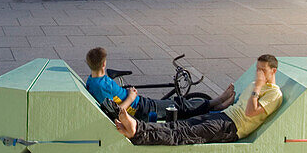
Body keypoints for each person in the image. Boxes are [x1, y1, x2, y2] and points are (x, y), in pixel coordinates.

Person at [115, 55, 282, 146]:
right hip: (223, 116)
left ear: (273, 71)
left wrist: (257, 88)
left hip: (231, 128)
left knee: (183, 135)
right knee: (180, 124)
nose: (258, 73)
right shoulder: (255, 85)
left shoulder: (274, 94)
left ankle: (137, 132)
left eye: (262, 70)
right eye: (257, 69)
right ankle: (138, 127)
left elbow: (250, 112)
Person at [85, 47, 211, 122]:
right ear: (103, 65)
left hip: (142, 104)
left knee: (178, 104)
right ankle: (215, 104)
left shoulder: (92, 80)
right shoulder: (100, 87)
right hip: (141, 109)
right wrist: (131, 97)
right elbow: (116, 112)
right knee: (178, 105)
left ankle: (214, 103)